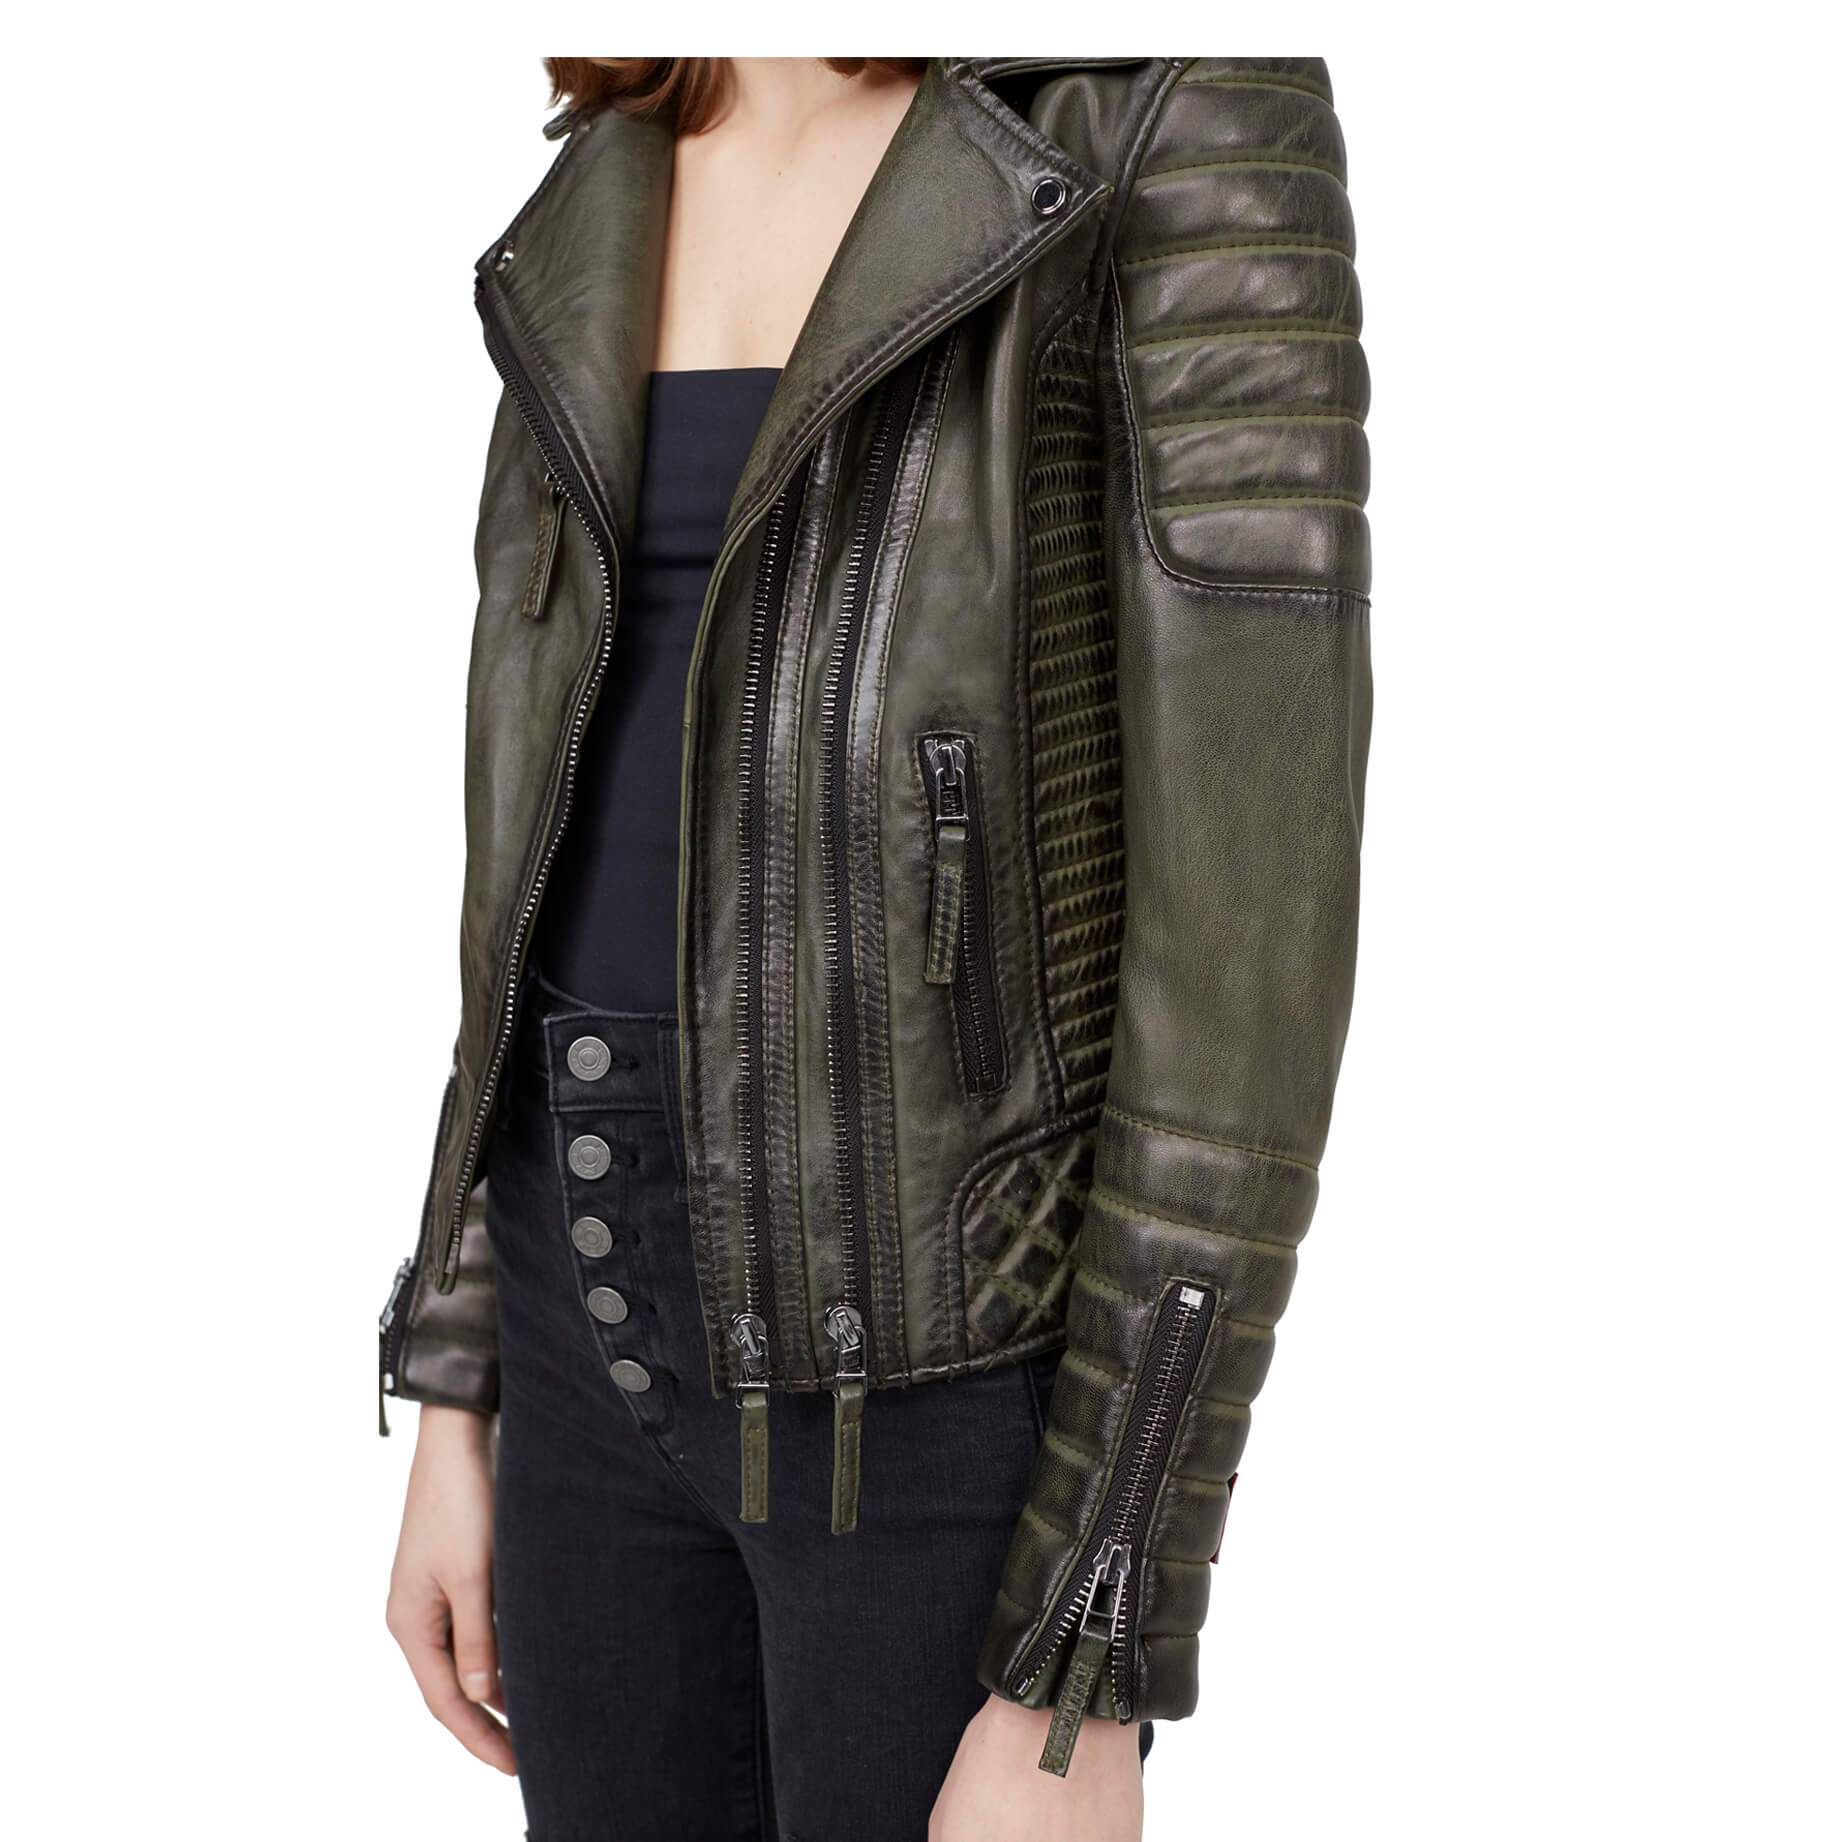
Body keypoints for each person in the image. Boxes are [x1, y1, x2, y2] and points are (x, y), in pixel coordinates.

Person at [381, 54, 1371, 1842]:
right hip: (572, 1324)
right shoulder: (614, 161)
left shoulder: (1162, 112)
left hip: (934, 1370)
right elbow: (530, 835)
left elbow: (1245, 966)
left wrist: (1090, 1628)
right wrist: (461, 1374)